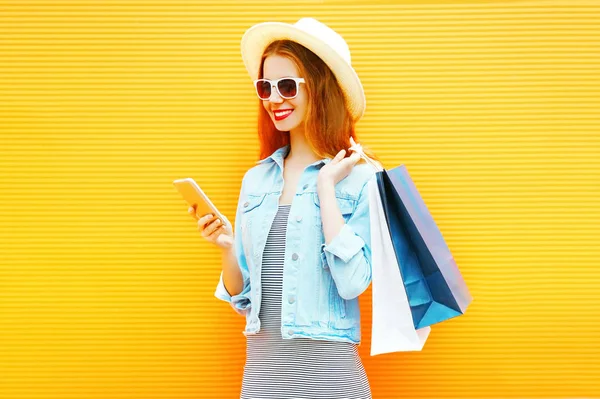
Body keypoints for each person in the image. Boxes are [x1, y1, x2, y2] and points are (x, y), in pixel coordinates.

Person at [189, 17, 382, 399]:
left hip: (331, 381)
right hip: (263, 380)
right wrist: (227, 248)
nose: (275, 98)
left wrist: (326, 187)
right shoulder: (256, 181)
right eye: (266, 87)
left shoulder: (363, 179)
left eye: (288, 85)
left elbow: (353, 282)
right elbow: (241, 298)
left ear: (322, 88)